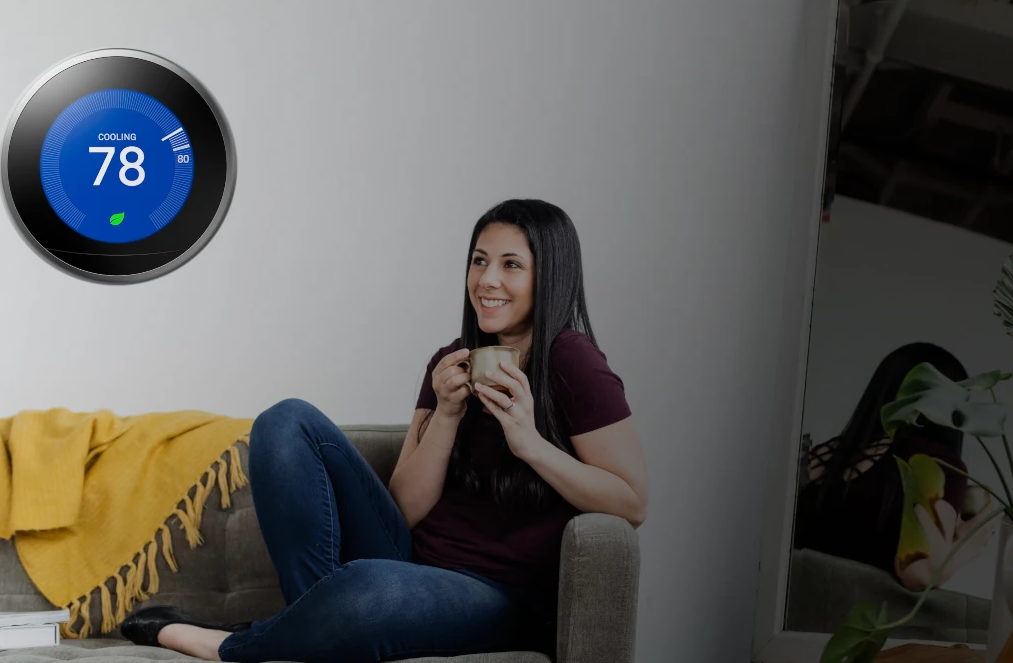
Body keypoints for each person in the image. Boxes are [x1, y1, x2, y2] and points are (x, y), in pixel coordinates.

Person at [118, 199, 650, 662]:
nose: (487, 280)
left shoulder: (571, 360)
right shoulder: (450, 361)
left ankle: (226, 644)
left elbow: (630, 503)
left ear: (548, 275)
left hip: (502, 594)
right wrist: (445, 414)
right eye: (479, 261)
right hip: (408, 561)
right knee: (284, 421)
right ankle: (316, 633)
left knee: (367, 590)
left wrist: (529, 445)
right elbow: (406, 510)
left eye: (512, 265)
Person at [792, 342, 996, 592]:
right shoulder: (936, 462)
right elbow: (919, 571)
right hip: (842, 621)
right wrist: (967, 544)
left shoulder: (821, 454)